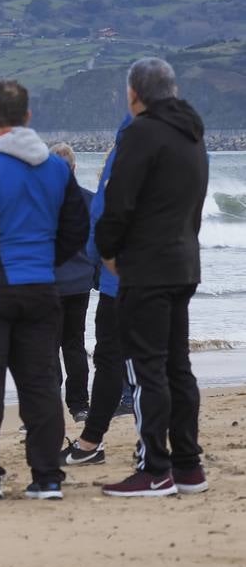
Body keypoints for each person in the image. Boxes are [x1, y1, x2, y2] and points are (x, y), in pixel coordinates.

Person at [0, 80, 88, 504]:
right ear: (27, 117)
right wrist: (48, 260)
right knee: (41, 383)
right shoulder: (58, 169)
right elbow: (77, 229)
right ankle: (47, 477)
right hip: (42, 289)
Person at [95, 57, 210, 497]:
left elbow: (118, 201)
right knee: (177, 366)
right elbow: (195, 204)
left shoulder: (141, 132)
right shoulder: (192, 135)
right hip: (183, 261)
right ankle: (188, 466)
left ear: (133, 94)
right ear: (174, 90)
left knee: (147, 369)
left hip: (145, 267)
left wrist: (107, 250)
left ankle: (155, 468)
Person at [61, 122, 131, 467]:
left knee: (102, 357)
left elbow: (97, 237)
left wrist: (101, 270)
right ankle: (79, 404)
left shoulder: (115, 171)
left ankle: (87, 436)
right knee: (76, 345)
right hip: (164, 279)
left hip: (107, 284)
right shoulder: (184, 153)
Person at [49, 143, 96, 423]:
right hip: (79, 281)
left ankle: (49, 405)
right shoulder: (89, 200)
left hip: (49, 283)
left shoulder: (40, 201)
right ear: (74, 168)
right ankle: (79, 405)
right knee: (74, 344)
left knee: (48, 346)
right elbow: (98, 242)